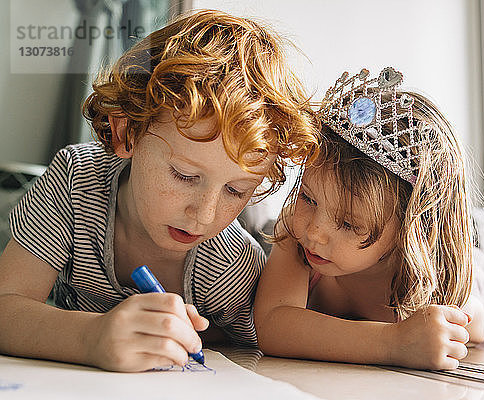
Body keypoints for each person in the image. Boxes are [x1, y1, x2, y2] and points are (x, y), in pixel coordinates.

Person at [0, 9, 319, 372]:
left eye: (236, 190)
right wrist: (92, 337)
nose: (205, 215)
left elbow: (264, 352)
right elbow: (6, 304)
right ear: (127, 132)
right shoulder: (74, 182)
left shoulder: (228, 265)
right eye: (184, 175)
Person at [254, 67, 484, 371]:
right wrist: (392, 342)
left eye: (348, 223)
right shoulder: (294, 233)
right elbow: (273, 324)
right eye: (308, 198)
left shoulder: (431, 266)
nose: (314, 232)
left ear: (410, 230)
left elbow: (476, 328)